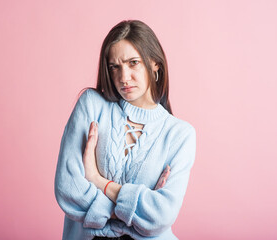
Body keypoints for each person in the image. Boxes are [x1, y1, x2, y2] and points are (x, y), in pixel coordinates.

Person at [54, 20, 196, 240]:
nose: (123, 77)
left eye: (133, 63)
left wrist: (96, 179)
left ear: (155, 64)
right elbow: (68, 191)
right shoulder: (92, 105)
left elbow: (160, 217)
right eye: (115, 67)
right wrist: (136, 215)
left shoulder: (180, 135)